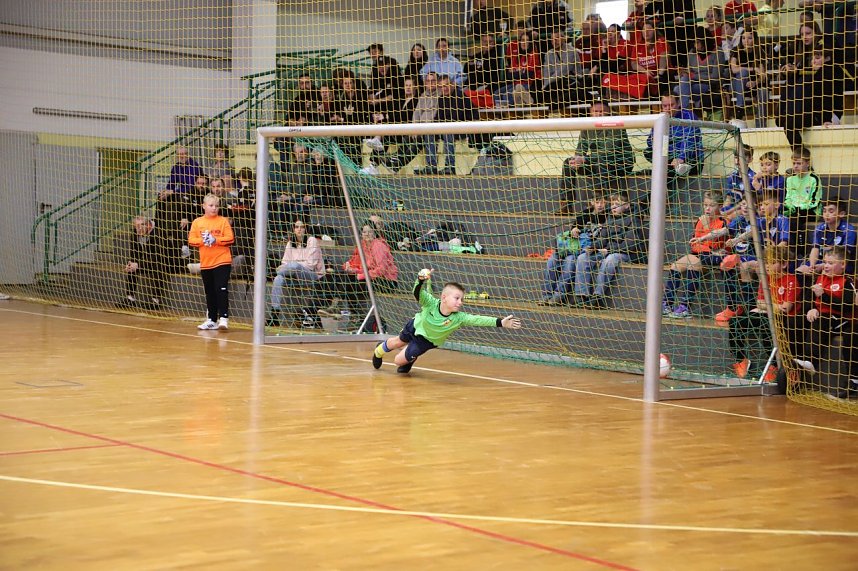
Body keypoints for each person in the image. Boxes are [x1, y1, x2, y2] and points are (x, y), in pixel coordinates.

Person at [371, 269, 522, 373]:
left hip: (425, 342)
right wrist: (420, 280)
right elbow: (417, 292)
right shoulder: (430, 302)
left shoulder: (459, 318)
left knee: (398, 362)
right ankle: (378, 351)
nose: (460, 302)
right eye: (457, 298)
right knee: (396, 342)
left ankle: (409, 357)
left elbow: (479, 319)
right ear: (444, 298)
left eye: (461, 299)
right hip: (415, 326)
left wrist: (500, 322)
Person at [728, 239, 799, 381]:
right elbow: (760, 302)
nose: (767, 266)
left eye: (772, 263)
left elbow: (786, 308)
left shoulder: (791, 280)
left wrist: (768, 306)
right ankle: (741, 359)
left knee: (766, 324)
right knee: (735, 321)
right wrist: (773, 306)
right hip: (767, 314)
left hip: (787, 319)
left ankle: (774, 365)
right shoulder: (765, 279)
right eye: (766, 262)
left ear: (784, 264)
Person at [792, 246, 856, 392]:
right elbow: (809, 298)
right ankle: (795, 361)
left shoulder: (847, 281)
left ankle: (811, 360)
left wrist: (824, 296)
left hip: (842, 319)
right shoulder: (820, 278)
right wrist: (812, 308)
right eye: (825, 262)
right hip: (826, 316)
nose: (826, 266)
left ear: (843, 264)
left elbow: (847, 306)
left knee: (822, 320)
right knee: (799, 320)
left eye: (831, 263)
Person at [572, 191, 647, 309]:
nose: (613, 206)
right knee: (583, 257)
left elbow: (630, 244)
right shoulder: (610, 218)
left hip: (627, 254)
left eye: (617, 203)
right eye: (612, 204)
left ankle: (598, 296)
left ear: (627, 205)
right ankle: (582, 295)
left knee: (610, 259)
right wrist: (593, 247)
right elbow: (603, 238)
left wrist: (608, 250)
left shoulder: (634, 218)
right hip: (608, 250)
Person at [560, 100, 634, 214]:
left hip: (621, 162)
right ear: (590, 112)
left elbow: (609, 151)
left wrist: (586, 159)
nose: (598, 114)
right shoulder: (587, 126)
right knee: (568, 163)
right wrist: (577, 159)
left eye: (602, 111)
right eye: (595, 111)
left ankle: (600, 203)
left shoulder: (615, 124)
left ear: (608, 112)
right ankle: (566, 204)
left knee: (601, 160)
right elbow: (581, 148)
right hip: (597, 161)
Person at [318, 224, 398, 328]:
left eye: (370, 231)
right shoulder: (363, 245)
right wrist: (351, 268)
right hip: (371, 277)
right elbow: (362, 266)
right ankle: (342, 310)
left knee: (351, 282)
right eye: (364, 232)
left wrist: (361, 275)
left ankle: (345, 310)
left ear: (374, 233)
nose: (367, 234)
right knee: (339, 277)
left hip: (386, 281)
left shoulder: (378, 245)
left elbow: (381, 270)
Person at [663, 192, 728, 318]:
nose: (707, 208)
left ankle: (684, 307)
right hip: (703, 253)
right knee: (675, 265)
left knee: (693, 263)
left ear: (720, 206)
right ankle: (667, 304)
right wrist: (708, 249)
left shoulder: (723, 222)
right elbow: (694, 242)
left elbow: (723, 245)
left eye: (712, 205)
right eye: (705, 205)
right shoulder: (701, 220)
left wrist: (709, 249)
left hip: (717, 257)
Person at [539, 193, 608, 305]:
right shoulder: (584, 214)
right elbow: (572, 231)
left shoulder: (607, 217)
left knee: (570, 261)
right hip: (573, 246)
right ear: (592, 203)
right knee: (552, 260)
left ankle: (558, 295)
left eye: (603, 202)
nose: (600, 205)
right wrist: (574, 230)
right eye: (597, 202)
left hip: (586, 249)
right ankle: (546, 294)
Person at [188, 193, 235, 331]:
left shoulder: (223, 221)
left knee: (221, 288)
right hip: (206, 262)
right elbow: (191, 240)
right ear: (204, 206)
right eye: (211, 205)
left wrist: (215, 240)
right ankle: (211, 319)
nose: (214, 208)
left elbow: (230, 238)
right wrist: (203, 241)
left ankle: (224, 318)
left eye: (216, 206)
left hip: (222, 260)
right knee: (209, 291)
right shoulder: (197, 222)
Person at [268, 219, 325, 327]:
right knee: (278, 279)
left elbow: (310, 265)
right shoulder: (291, 242)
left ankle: (277, 271)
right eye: (296, 227)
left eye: (302, 227)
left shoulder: (312, 240)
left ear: (306, 229)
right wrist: (288, 267)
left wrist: (292, 266)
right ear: (293, 229)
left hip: (312, 276)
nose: (299, 229)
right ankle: (274, 315)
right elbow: (285, 262)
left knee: (293, 266)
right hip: (294, 276)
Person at [116, 215, 168, 310]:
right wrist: (131, 263)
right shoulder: (135, 233)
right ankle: (130, 298)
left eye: (140, 226)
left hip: (167, 261)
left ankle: (156, 300)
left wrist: (138, 264)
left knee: (158, 266)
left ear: (148, 225)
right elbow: (134, 252)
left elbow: (158, 255)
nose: (137, 229)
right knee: (132, 267)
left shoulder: (159, 232)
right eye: (136, 227)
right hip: (148, 260)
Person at [783, 146, 823, 258]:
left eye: (799, 163)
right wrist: (789, 206)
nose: (795, 166)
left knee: (795, 218)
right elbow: (788, 198)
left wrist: (800, 207)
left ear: (807, 163)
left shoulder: (813, 178)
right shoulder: (790, 179)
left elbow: (815, 200)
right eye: (794, 163)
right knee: (783, 216)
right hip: (794, 210)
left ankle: (799, 250)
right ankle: (785, 248)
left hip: (811, 211)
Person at [729, 29, 769, 126]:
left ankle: (761, 126)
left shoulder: (759, 52)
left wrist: (755, 82)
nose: (745, 41)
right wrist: (753, 68)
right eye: (743, 38)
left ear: (754, 40)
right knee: (742, 72)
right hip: (738, 85)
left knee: (763, 91)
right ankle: (740, 108)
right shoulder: (735, 50)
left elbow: (763, 76)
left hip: (753, 85)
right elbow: (734, 69)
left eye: (749, 38)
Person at [721, 143, 755, 219]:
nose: (739, 160)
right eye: (736, 157)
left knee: (730, 217)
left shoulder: (753, 178)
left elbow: (749, 201)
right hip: (733, 207)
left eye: (743, 157)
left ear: (750, 159)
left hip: (747, 208)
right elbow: (728, 198)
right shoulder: (732, 177)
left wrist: (728, 212)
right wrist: (723, 210)